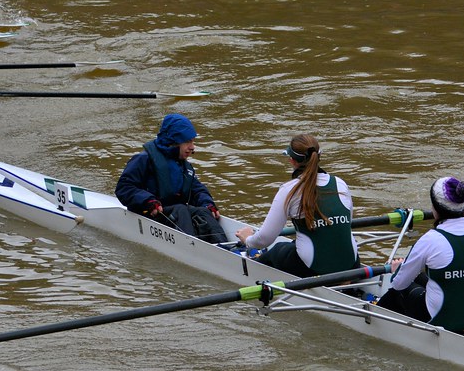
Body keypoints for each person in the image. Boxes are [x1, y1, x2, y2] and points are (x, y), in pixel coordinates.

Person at [377, 176, 464, 339]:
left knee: (396, 291)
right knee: (424, 277)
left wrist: (397, 269)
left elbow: (399, 284)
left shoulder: (431, 239)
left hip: (436, 319)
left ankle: (373, 320)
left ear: (435, 208)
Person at [234, 134, 358, 277]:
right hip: (352, 264)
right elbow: (345, 225)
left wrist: (248, 240)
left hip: (311, 268)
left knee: (279, 249)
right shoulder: (340, 184)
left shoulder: (289, 190)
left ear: (292, 160)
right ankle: (345, 280)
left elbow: (264, 239)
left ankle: (253, 265)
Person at [115, 113, 227, 243]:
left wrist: (208, 204)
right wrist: (148, 200)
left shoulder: (184, 166)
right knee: (181, 209)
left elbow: (197, 190)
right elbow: (124, 187)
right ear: (173, 142)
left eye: (193, 141)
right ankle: (192, 247)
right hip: (151, 213)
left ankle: (223, 246)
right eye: (187, 142)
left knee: (202, 211)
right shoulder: (144, 159)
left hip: (175, 216)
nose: (192, 147)